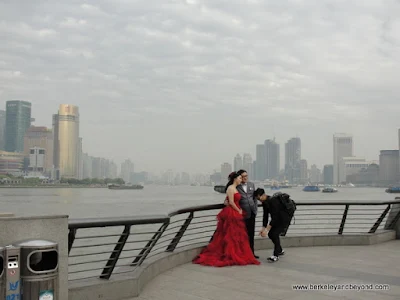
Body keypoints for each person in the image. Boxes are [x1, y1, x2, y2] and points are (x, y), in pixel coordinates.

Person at [193, 172, 260, 267]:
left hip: (238, 212)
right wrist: (238, 210)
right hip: (232, 212)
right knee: (229, 234)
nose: (241, 179)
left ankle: (238, 253)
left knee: (237, 235)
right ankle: (229, 253)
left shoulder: (236, 188)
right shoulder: (230, 188)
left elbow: (228, 200)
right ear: (235, 179)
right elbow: (231, 202)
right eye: (240, 178)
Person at [224, 169, 258, 258]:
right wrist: (226, 202)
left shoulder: (251, 185)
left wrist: (255, 209)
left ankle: (252, 253)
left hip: (252, 212)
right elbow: (228, 198)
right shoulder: (236, 187)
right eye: (243, 176)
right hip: (242, 214)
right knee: (243, 235)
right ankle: (243, 253)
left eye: (246, 176)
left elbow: (254, 198)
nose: (245, 178)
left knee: (251, 234)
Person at [254, 188, 288, 262]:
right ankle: (280, 250)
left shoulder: (273, 201)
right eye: (258, 199)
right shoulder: (265, 202)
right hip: (276, 220)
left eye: (259, 198)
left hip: (283, 219)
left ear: (263, 195)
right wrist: (263, 228)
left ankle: (276, 255)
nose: (259, 200)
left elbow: (275, 217)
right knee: (271, 235)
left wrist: (267, 229)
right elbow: (265, 216)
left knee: (274, 234)